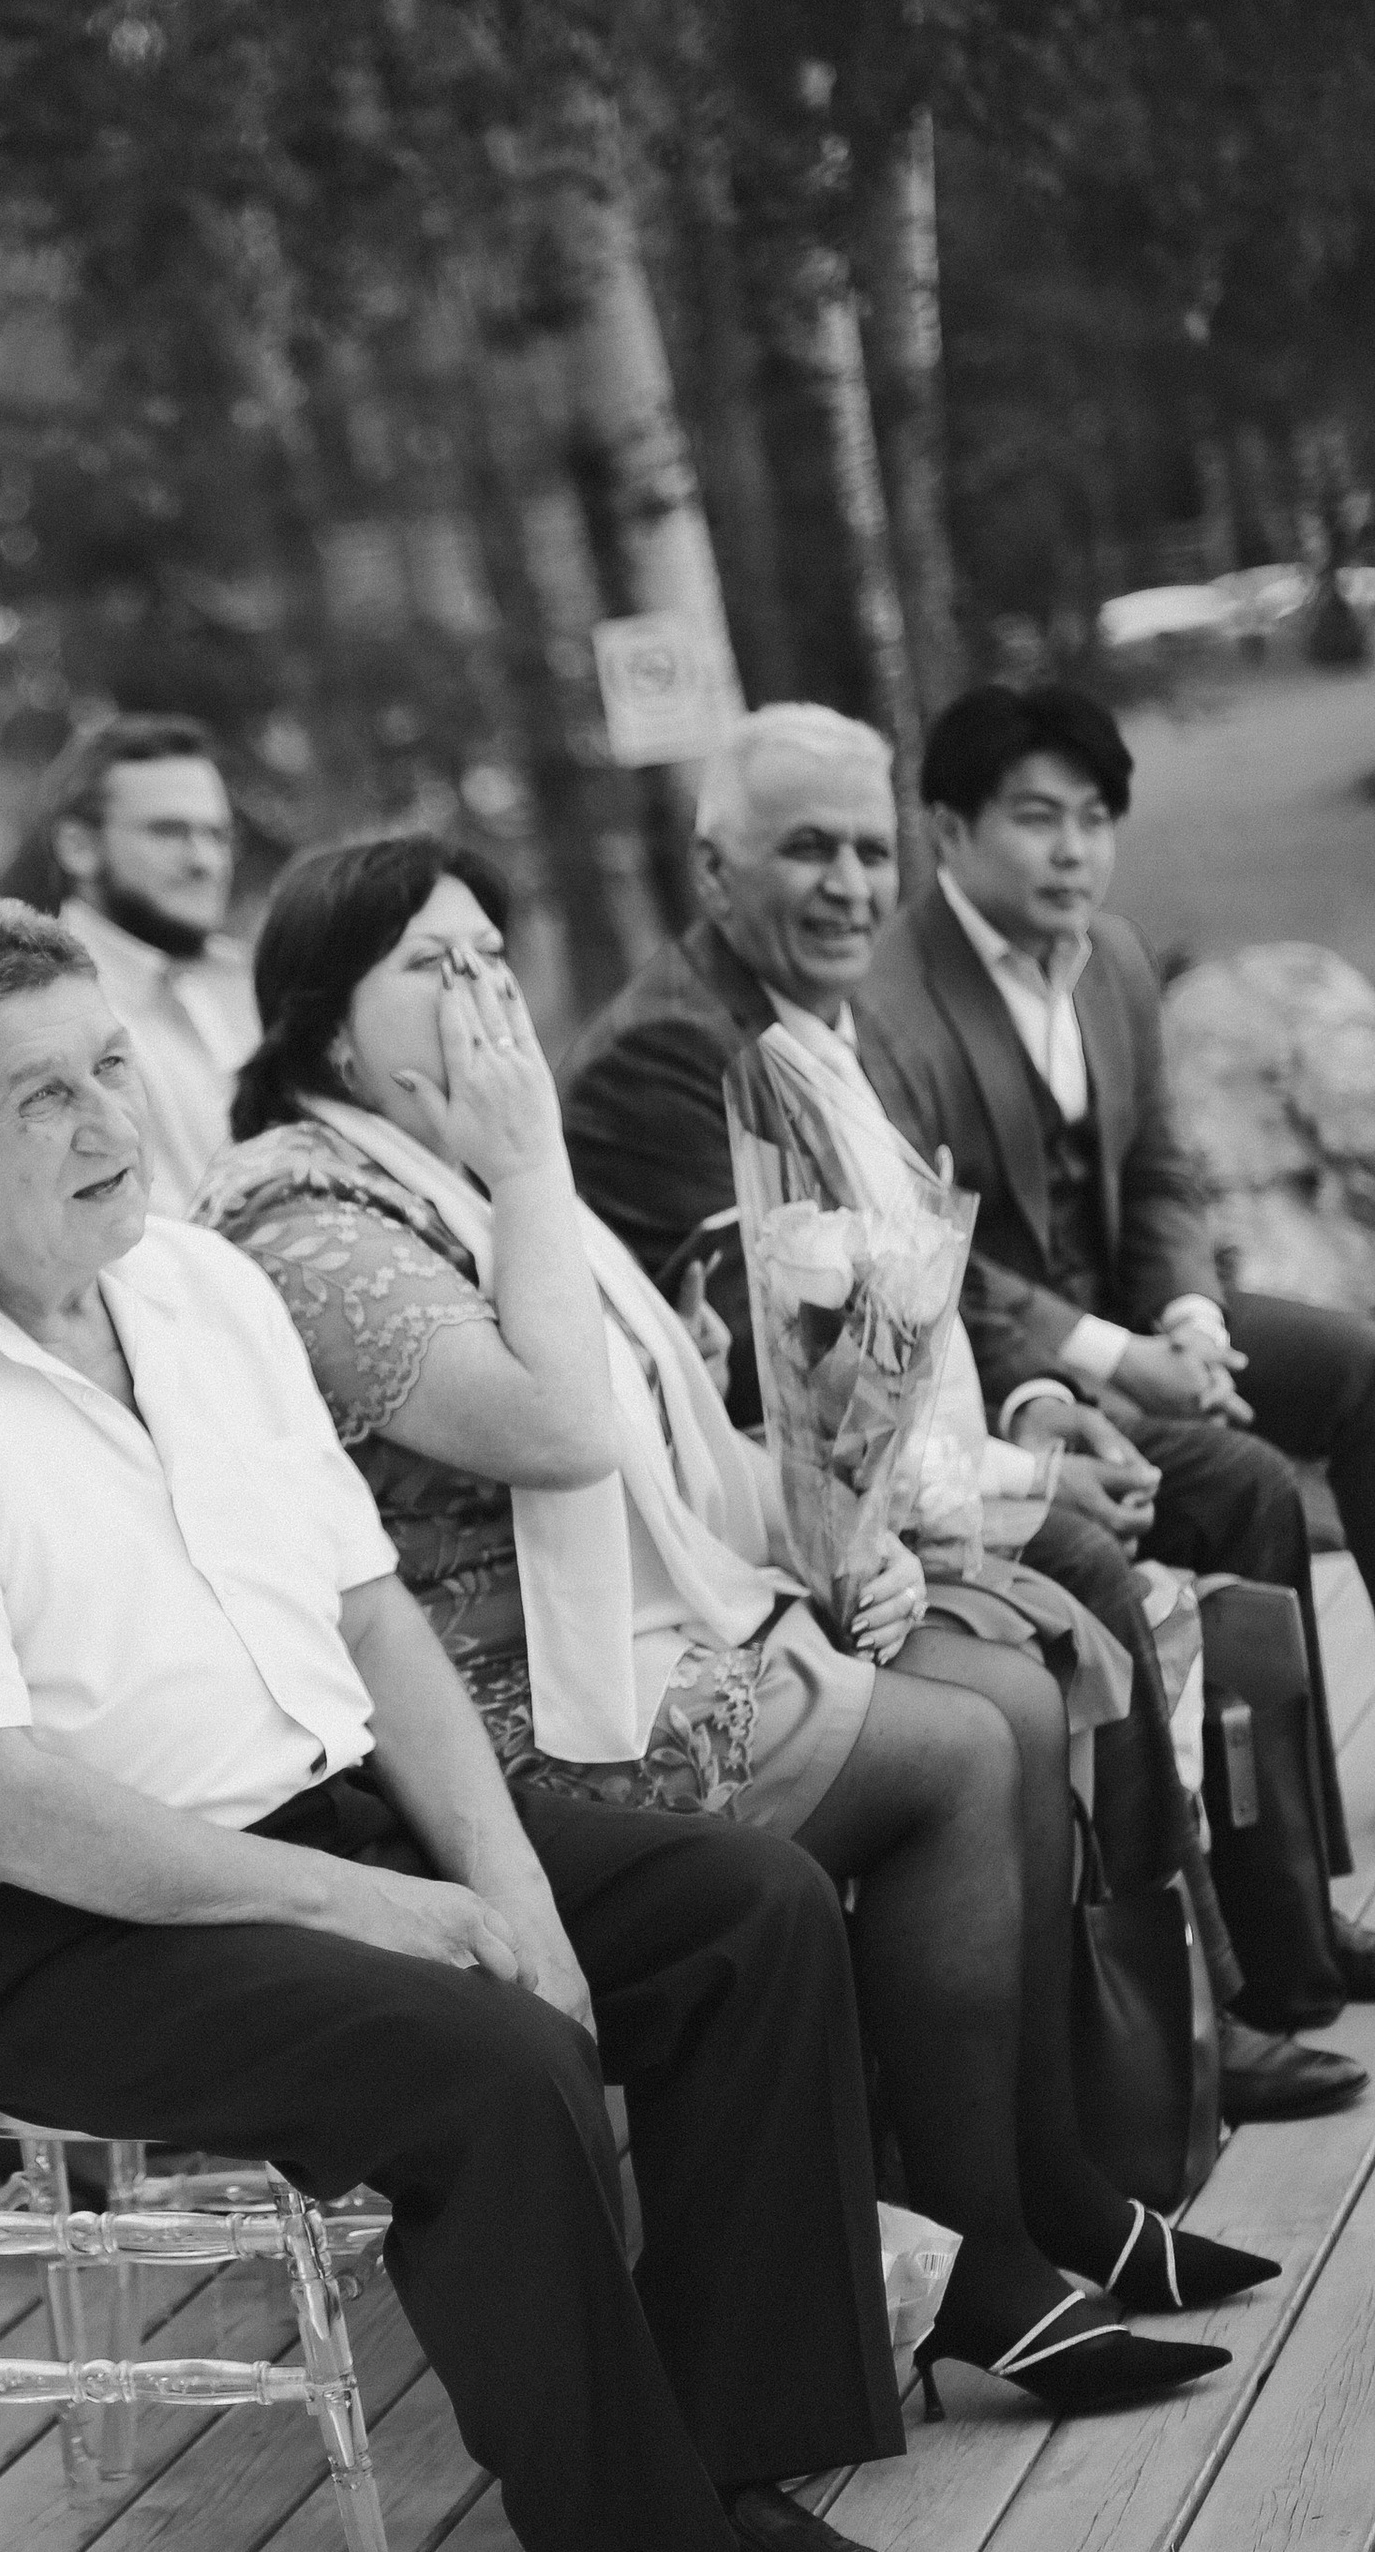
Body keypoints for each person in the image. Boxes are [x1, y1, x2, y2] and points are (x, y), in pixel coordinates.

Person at [0, 893, 983, 2552]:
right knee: (489, 2054)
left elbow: (370, 1614)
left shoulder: (200, 1289)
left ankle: (727, 2478)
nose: (107, 1122)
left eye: (109, 1068)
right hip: (48, 1938)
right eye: (41, 1098)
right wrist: (393, 1915)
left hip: (321, 1822)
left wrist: (506, 1883)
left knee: (747, 1914)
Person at [194, 832, 1268, 2397]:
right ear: (328, 1031)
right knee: (958, 1754)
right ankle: (985, 2263)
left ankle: (1057, 2191)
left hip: (649, 1624)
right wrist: (534, 1168)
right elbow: (556, 1431)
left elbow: (667, 1443)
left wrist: (844, 1536)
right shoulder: (305, 1220)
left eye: (492, 955)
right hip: (492, 1712)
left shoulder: (454, 1178)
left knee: (1019, 1692)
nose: (484, 994)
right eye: (431, 965)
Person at [557, 706, 1360, 2120]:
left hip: (939, 1445)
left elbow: (936, 1281)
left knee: (1249, 1457)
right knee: (1088, 1561)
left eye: (866, 852)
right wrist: (1025, 1469)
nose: (850, 886)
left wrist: (1043, 1408)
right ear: (714, 868)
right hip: (782, 1524)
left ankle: (1258, 1955)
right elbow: (798, 1375)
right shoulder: (676, 1055)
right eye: (808, 850)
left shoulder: (825, 1011)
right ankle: (1170, 2021)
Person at [857, 682, 1375, 2005]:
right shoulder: (890, 1002)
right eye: (1038, 818)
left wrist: (1190, 1318)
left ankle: (1298, 1877)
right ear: (949, 828)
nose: (1074, 851)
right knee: (1244, 1486)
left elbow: (1157, 1174)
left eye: (1094, 819)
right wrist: (1108, 1354)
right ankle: (1277, 1933)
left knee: (1353, 1368)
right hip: (1007, 1369)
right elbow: (924, 1257)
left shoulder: (1114, 959)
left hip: (1138, 1315)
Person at [12, 714, 258, 1216]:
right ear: (78, 848)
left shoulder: (241, 981)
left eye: (218, 835)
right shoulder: (33, 1014)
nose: (206, 861)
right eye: (169, 832)